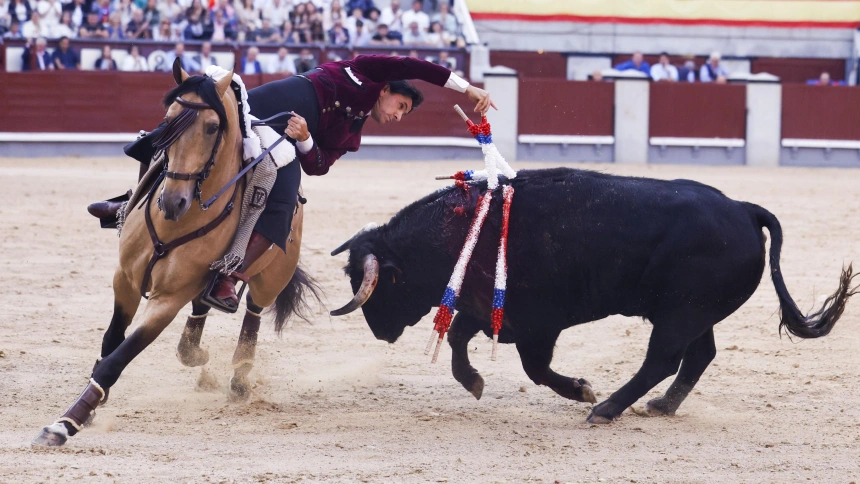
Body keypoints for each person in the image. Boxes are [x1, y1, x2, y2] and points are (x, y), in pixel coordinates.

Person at [87, 54, 496, 313]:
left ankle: (231, 277)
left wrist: (306, 139)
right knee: (180, 130)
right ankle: (129, 203)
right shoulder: (366, 72)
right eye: (400, 105)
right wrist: (467, 87)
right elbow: (418, 66)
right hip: (269, 104)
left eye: (405, 113)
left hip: (284, 143)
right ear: (387, 89)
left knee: (284, 207)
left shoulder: (352, 135)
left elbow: (319, 165)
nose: (398, 116)